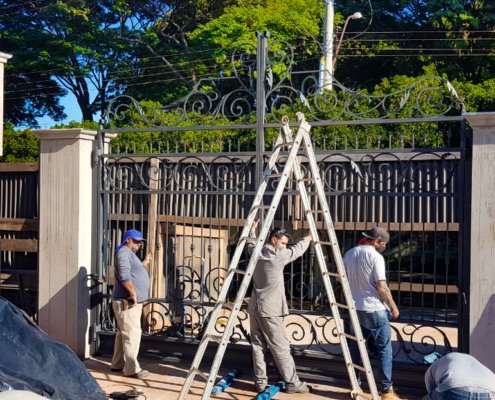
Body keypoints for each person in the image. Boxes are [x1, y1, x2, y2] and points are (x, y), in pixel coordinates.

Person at [247, 223, 312, 394]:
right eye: (283, 243)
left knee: (258, 346)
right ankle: (292, 382)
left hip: (254, 307)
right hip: (270, 309)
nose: (285, 247)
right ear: (274, 240)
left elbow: (250, 243)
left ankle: (260, 382)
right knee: (281, 347)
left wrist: (252, 230)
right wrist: (309, 237)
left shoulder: (256, 252)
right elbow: (297, 250)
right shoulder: (278, 256)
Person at [343, 226, 401, 400]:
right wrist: (393, 306)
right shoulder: (376, 257)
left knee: (355, 347)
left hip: (354, 308)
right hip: (374, 308)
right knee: (384, 350)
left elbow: (342, 279)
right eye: (382, 243)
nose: (383, 246)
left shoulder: (349, 254)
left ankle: (356, 386)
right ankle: (386, 391)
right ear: (376, 241)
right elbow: (381, 286)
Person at [111, 229, 152, 379]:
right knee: (132, 333)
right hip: (127, 302)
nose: (139, 244)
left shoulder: (128, 254)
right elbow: (124, 276)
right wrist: (133, 294)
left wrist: (144, 263)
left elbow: (133, 272)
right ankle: (132, 369)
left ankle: (117, 364)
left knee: (123, 333)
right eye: (135, 240)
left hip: (127, 301)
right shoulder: (123, 253)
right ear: (127, 239)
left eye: (140, 241)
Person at [424, 352, 495, 400]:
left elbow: (431, 391)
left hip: (454, 388)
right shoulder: (467, 358)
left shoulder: (433, 367)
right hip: (490, 390)